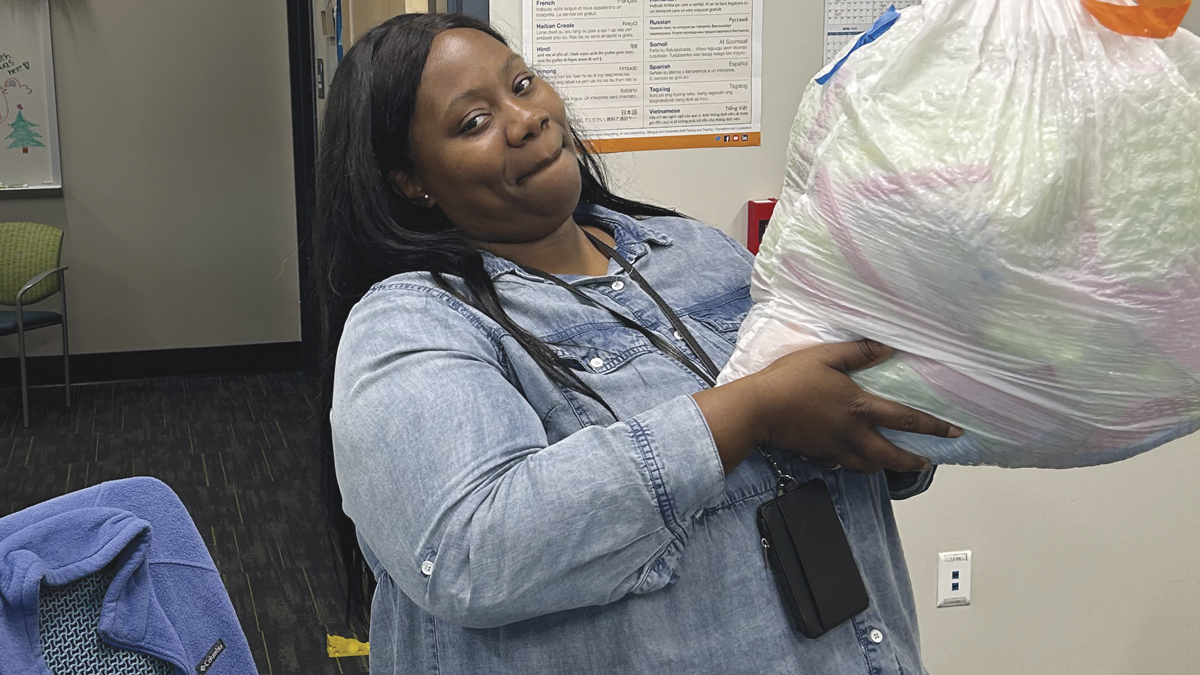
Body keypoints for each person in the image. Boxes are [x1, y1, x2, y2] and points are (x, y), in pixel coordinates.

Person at [313, 12, 961, 675]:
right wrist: (753, 409)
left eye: (523, 83)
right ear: (411, 180)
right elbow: (472, 553)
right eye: (472, 122)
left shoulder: (694, 250)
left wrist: (891, 417)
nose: (526, 117)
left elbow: (854, 436)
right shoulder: (413, 323)